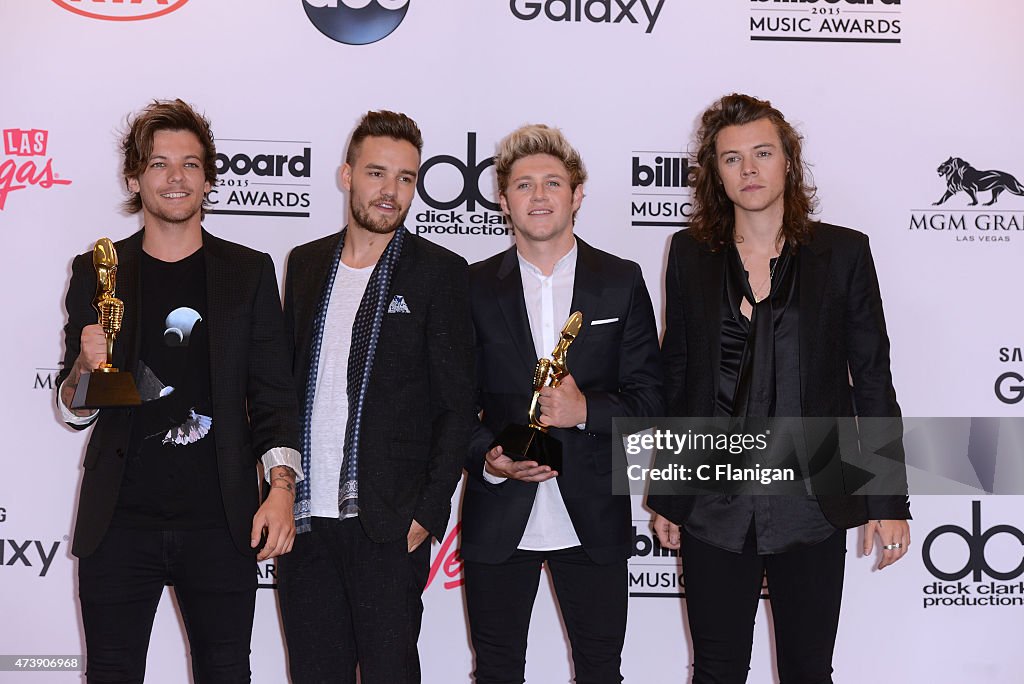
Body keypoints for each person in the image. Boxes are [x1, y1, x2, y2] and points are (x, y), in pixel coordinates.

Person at [647, 93, 911, 683]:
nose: (749, 170)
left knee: (809, 669)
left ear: (787, 160)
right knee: (716, 668)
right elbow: (678, 376)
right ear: (716, 173)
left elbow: (871, 377)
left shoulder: (842, 252)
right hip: (713, 502)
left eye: (762, 153)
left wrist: (887, 498)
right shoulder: (691, 254)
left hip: (813, 500)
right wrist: (667, 492)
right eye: (732, 158)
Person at [56, 98, 302, 683]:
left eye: (190, 164)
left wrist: (282, 489)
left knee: (225, 673)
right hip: (119, 521)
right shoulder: (99, 270)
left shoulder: (248, 272)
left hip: (220, 519)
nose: (175, 177)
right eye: (160, 163)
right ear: (134, 177)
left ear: (210, 179)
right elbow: (75, 408)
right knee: (110, 673)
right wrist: (85, 370)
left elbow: (273, 395)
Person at [461, 124, 663, 684]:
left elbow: (650, 401)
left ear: (578, 195)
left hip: (592, 515)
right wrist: (490, 459)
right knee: (496, 671)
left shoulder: (621, 282)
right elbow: (451, 404)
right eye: (525, 185)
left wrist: (585, 412)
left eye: (554, 182)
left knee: (601, 671)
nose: (541, 195)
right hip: (498, 511)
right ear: (503, 201)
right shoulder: (473, 287)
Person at [277, 110, 473, 684]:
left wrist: (427, 515)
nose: (390, 192)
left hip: (388, 523)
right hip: (306, 520)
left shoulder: (439, 272)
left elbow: (457, 406)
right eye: (377, 173)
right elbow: (285, 390)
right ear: (346, 175)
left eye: (406, 178)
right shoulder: (306, 264)